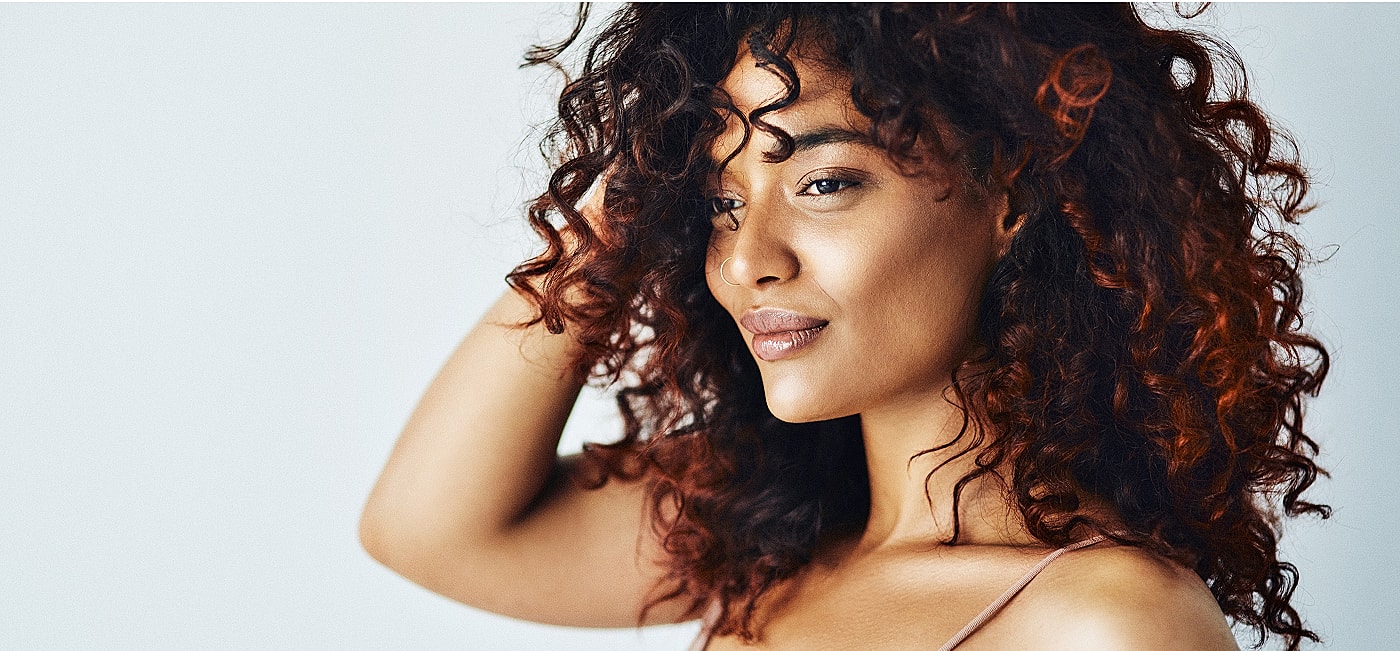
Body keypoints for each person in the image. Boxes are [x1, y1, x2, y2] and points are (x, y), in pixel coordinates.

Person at [360, 4, 1329, 649]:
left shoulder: (1103, 621)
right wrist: (627, 195)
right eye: (721, 203)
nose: (749, 259)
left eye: (822, 183)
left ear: (1011, 192)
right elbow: (429, 529)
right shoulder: (765, 534)